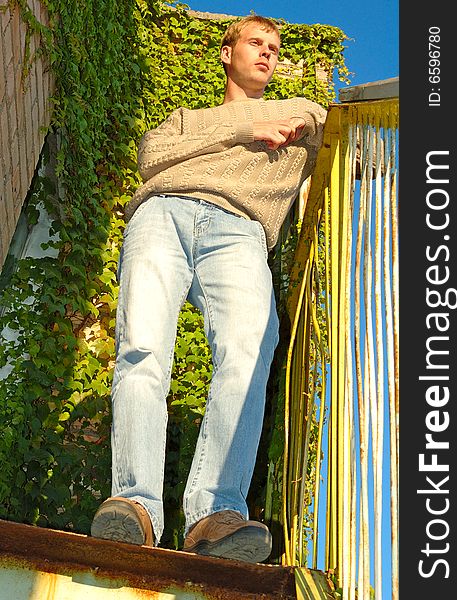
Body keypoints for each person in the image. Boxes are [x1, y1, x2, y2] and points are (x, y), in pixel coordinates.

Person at [90, 14, 327, 564]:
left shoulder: (298, 120)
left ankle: (215, 514)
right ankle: (135, 505)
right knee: (142, 349)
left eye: (274, 46)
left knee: (248, 354)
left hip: (240, 229)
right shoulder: (187, 119)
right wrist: (245, 129)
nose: (266, 53)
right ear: (227, 53)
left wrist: (304, 121)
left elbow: (332, 133)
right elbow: (153, 157)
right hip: (162, 215)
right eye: (254, 42)